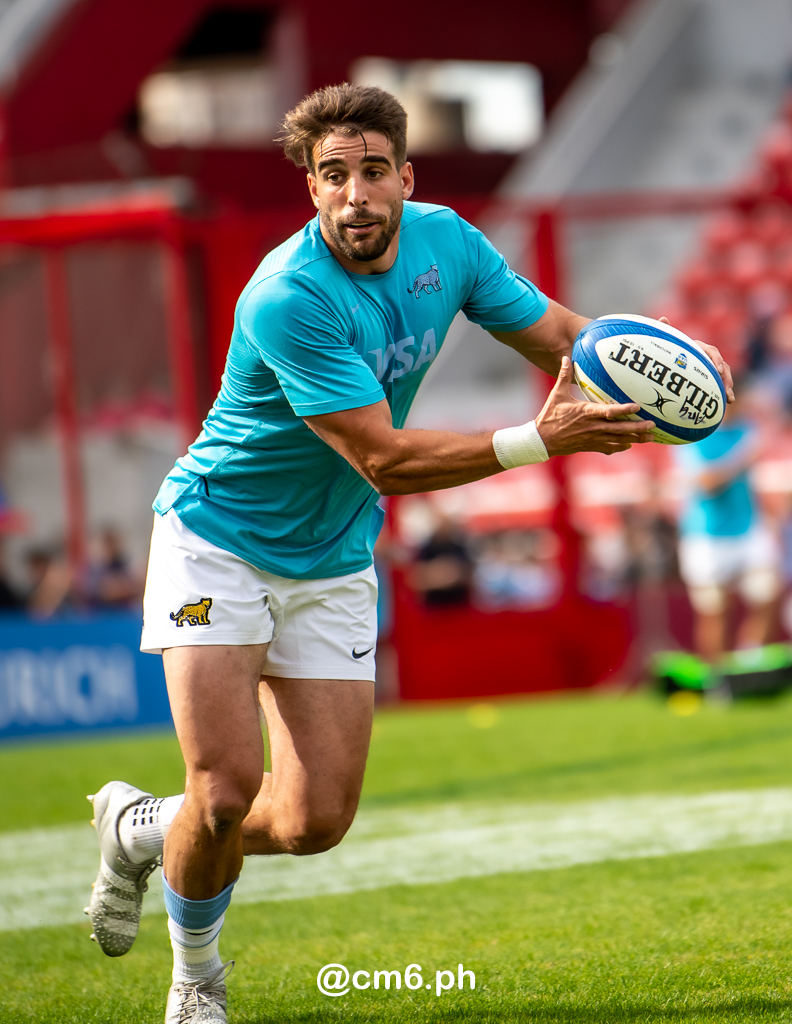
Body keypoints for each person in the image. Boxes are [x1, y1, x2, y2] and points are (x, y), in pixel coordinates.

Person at [84, 83, 733, 1024]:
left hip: (335, 554)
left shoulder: (450, 243)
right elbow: (383, 456)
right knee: (223, 792)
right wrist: (541, 441)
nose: (356, 195)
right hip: (218, 540)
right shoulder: (287, 295)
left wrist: (663, 366)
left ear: (405, 178)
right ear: (311, 190)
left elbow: (559, 338)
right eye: (333, 176)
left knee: (315, 823)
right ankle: (197, 982)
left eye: (373, 172)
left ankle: (138, 826)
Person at [676, 386, 779, 662]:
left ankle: (751, 663)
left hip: (748, 529)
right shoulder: (694, 436)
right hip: (706, 536)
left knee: (768, 597)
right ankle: (718, 681)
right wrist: (742, 459)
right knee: (716, 612)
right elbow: (706, 484)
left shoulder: (748, 430)